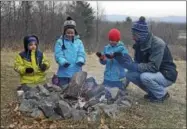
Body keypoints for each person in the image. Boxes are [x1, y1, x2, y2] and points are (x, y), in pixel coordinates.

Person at [114, 16, 178, 102]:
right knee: (129, 74)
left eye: (135, 35)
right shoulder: (139, 43)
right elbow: (136, 64)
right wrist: (122, 85)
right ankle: (153, 93)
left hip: (166, 74)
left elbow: (153, 67)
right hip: (154, 73)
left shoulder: (158, 44)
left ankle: (162, 95)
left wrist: (135, 66)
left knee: (145, 77)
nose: (133, 38)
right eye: (133, 34)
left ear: (142, 35)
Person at [54, 16, 86, 88]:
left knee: (75, 92)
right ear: (64, 32)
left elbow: (81, 53)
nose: (70, 34)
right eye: (68, 33)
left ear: (75, 32)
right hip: (63, 73)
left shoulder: (79, 42)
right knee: (63, 92)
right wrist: (63, 62)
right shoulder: (59, 42)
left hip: (76, 72)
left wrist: (81, 60)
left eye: (72, 33)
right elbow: (58, 55)